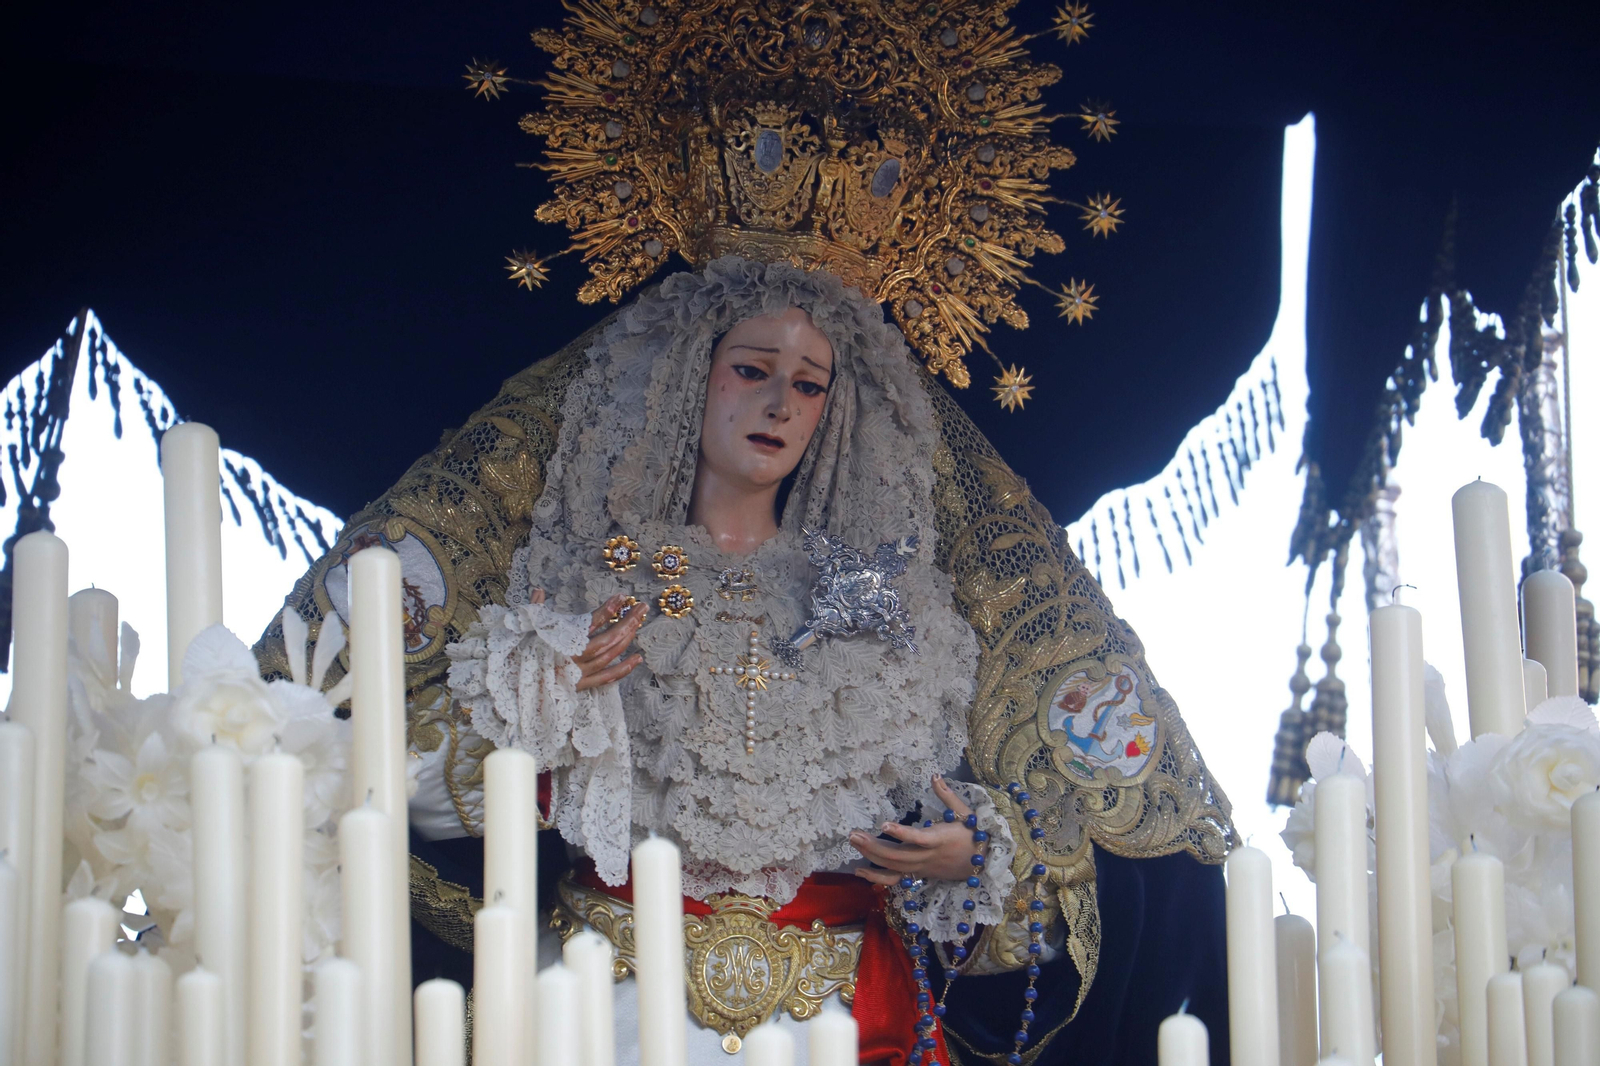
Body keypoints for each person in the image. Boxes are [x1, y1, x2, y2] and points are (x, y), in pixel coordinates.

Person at [255, 3, 1237, 1061]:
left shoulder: (889, 611)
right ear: (690, 378)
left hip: (846, 1022)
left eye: (808, 385)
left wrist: (968, 853)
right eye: (752, 370)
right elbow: (385, 775)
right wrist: (537, 715)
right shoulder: (580, 583)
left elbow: (997, 827)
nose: (777, 404)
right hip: (601, 1013)